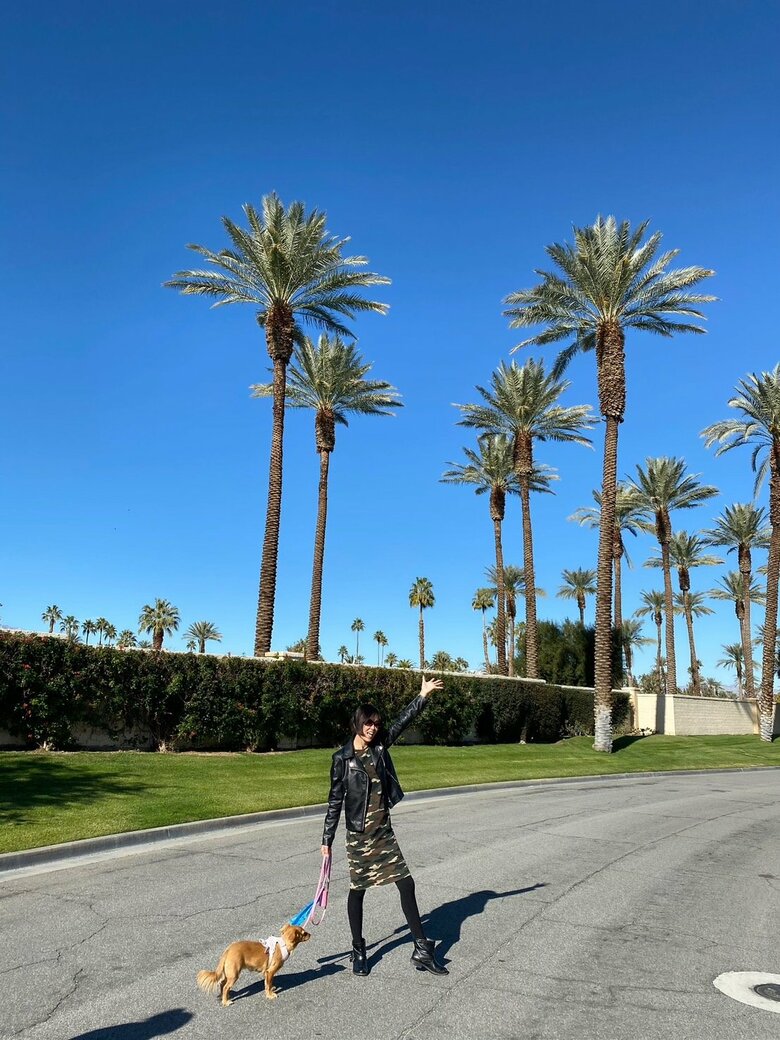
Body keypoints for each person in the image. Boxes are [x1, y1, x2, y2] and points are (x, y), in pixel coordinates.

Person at [321, 676, 449, 977]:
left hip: (383, 833)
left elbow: (402, 723)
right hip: (359, 837)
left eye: (376, 724)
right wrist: (326, 840)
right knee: (358, 891)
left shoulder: (379, 747)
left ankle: (421, 949)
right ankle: (358, 949)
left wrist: (422, 695)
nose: (373, 729)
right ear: (357, 723)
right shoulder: (341, 759)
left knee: (407, 883)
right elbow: (334, 802)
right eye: (368, 724)